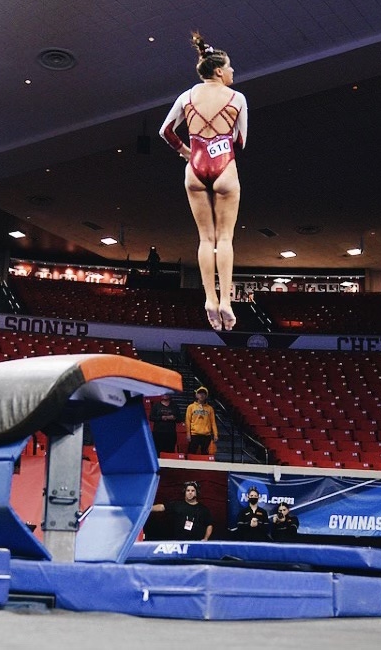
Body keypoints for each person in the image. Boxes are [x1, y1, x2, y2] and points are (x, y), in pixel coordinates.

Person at [160, 32, 248, 331]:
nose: (234, 71)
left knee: (205, 239)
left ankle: (209, 299)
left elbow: (166, 132)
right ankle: (226, 301)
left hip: (195, 167)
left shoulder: (186, 97)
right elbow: (240, 140)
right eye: (231, 67)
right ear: (219, 71)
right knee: (224, 239)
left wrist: (187, 152)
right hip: (225, 166)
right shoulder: (237, 98)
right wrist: (219, 144)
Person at [185, 386, 218, 455]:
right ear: (196, 395)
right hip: (194, 434)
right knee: (191, 453)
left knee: (205, 454)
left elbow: (213, 422)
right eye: (200, 393)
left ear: (206, 396)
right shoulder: (191, 407)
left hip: (206, 435)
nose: (201, 395)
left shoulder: (210, 408)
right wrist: (188, 434)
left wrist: (215, 434)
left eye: (204, 394)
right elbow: (187, 421)